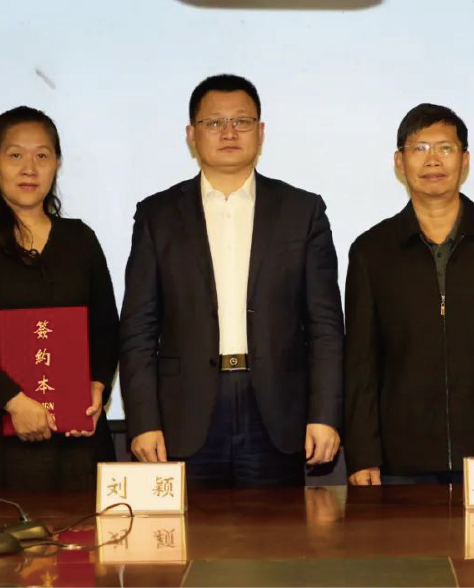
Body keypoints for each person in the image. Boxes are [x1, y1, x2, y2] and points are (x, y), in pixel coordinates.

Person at [119, 74, 344, 487]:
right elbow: (138, 328)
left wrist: (325, 414)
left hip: (276, 412)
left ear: (261, 132)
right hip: (184, 414)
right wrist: (143, 421)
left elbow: (325, 326)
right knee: (191, 528)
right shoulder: (158, 216)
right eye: (213, 123)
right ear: (192, 135)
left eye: (241, 121)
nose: (228, 132)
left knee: (275, 529)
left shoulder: (301, 211)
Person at [344, 103, 474, 485]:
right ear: (399, 161)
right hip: (399, 461)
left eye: (445, 148)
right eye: (419, 148)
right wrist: (363, 455)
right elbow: (360, 363)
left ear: (465, 159)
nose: (433, 160)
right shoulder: (371, 251)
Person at [0, 106, 119, 492]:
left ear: (57, 164)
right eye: (15, 155)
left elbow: (105, 329)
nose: (29, 169)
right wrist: (13, 401)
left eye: (42, 155)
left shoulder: (80, 240)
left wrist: (97, 386)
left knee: (79, 530)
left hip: (73, 444)